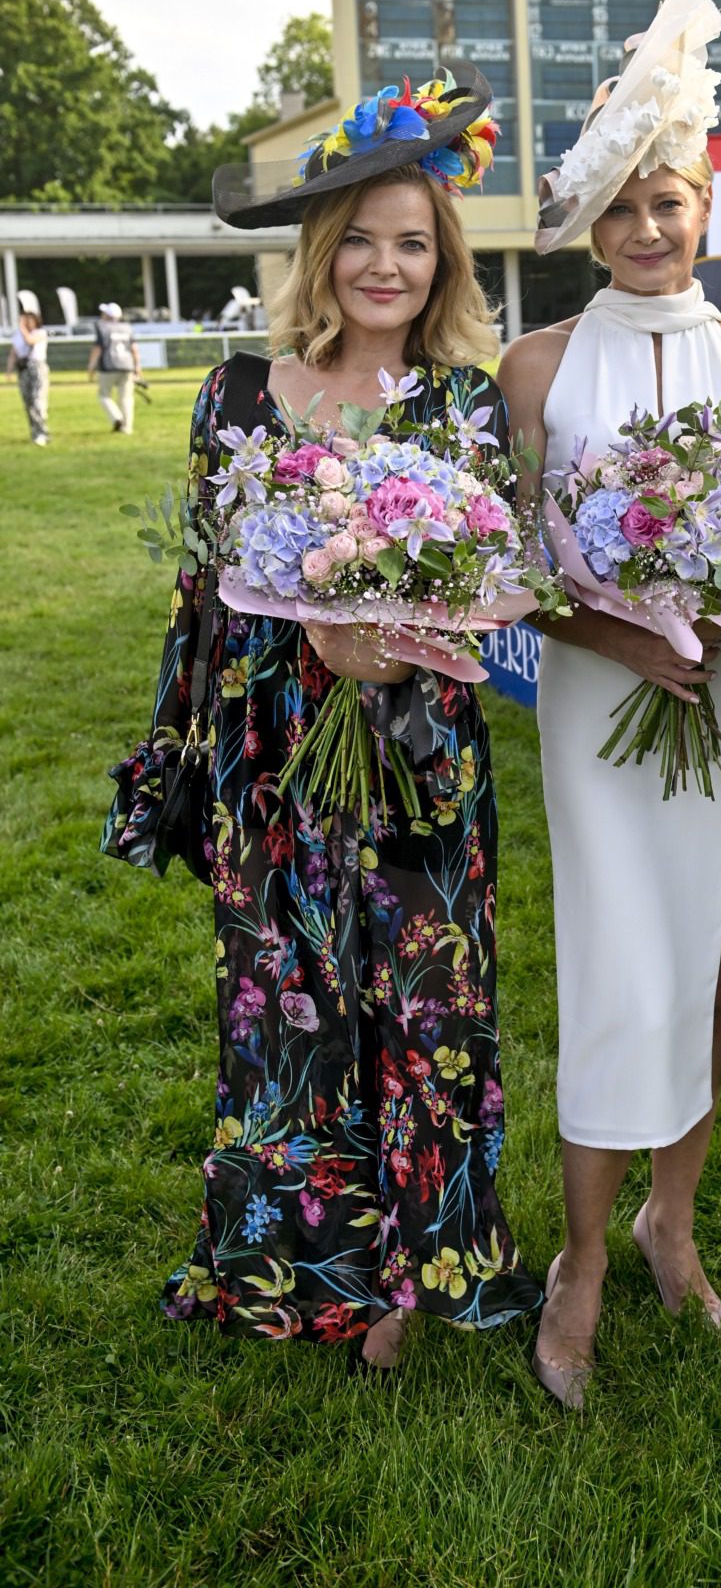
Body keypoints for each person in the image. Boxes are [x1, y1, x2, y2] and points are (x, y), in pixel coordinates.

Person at [102, 67, 541, 1372]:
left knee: (423, 1003)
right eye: (360, 236)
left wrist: (392, 643)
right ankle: (288, 1262)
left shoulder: (463, 409)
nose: (384, 263)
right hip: (274, 753)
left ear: (442, 260)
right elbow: (200, 592)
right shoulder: (237, 394)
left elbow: (490, 598)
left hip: (417, 760)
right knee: (289, 1006)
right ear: (321, 247)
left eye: (412, 242)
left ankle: (414, 1279)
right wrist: (254, 685)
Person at [499, 0, 721, 1407]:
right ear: (589, 215)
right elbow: (511, 568)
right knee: (620, 962)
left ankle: (672, 1218)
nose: (640, 227)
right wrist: (629, 642)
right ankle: (581, 1260)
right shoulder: (537, 365)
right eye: (615, 203)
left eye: (663, 199)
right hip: (600, 704)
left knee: (720, 953)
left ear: (701, 206)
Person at [88, 302, 142, 433]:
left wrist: (91, 367)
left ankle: (117, 417)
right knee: (126, 398)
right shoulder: (127, 328)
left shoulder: (102, 328)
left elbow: (98, 349)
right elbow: (134, 348)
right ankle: (127, 427)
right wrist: (137, 366)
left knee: (104, 395)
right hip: (127, 366)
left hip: (108, 366)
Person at [6, 302, 50, 444]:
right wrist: (9, 370)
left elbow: (30, 341)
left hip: (37, 367)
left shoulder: (40, 333)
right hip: (24, 369)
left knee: (38, 400)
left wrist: (22, 328)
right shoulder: (18, 335)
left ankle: (43, 432)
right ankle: (35, 432)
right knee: (28, 402)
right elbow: (13, 353)